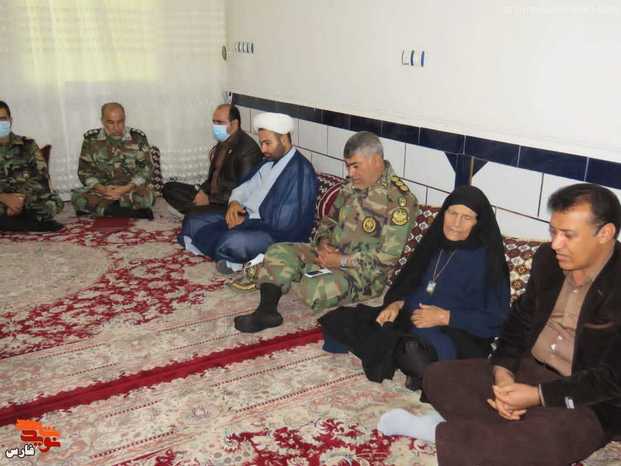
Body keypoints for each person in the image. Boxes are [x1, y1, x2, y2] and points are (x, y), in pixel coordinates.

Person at [379, 183, 621, 466]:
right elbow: (518, 323)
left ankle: (444, 432)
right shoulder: (548, 260)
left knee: (547, 438)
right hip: (528, 369)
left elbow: (612, 379)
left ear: (605, 233)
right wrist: (504, 374)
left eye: (568, 235)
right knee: (438, 377)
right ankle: (496, 430)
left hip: (586, 396)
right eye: (553, 232)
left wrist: (538, 396)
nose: (556, 244)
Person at [319, 185, 510, 389]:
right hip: (410, 319)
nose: (456, 223)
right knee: (340, 319)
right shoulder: (435, 242)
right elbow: (408, 282)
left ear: (478, 222)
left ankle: (423, 370)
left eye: (467, 218)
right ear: (444, 213)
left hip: (456, 332)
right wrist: (397, 303)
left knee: (412, 349)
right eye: (452, 213)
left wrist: (445, 317)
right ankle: (416, 369)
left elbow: (496, 319)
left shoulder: (489, 261)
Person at [234, 131, 418, 333]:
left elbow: (387, 257)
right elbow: (329, 221)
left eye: (355, 166)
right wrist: (322, 242)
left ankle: (289, 274)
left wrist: (340, 261)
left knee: (311, 287)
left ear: (375, 160)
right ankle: (266, 311)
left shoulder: (399, 200)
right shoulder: (350, 187)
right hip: (329, 254)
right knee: (277, 251)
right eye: (348, 166)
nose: (350, 173)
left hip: (363, 274)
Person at [178, 112, 318, 274]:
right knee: (193, 220)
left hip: (277, 236)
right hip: (248, 219)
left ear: (284, 139)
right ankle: (228, 256)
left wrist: (246, 220)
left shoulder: (300, 172)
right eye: (262, 143)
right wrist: (235, 203)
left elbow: (284, 222)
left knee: (232, 241)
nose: (263, 149)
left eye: (267, 143)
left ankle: (233, 258)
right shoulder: (269, 162)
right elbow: (246, 187)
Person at [162, 104, 261, 215]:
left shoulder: (248, 150)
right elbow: (214, 176)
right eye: (214, 122)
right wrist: (202, 191)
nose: (215, 126)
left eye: (220, 122)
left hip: (225, 202)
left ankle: (192, 211)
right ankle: (194, 210)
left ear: (234, 124)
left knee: (193, 214)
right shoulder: (224, 141)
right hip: (211, 194)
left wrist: (209, 199)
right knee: (169, 188)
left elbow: (243, 191)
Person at [71, 102, 155, 218]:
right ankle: (129, 212)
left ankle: (104, 209)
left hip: (130, 188)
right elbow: (84, 171)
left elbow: (146, 169)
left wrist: (125, 189)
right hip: (103, 189)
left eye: (120, 122)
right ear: (102, 121)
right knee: (76, 197)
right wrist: (102, 189)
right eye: (111, 122)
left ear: (125, 119)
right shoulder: (91, 140)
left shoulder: (138, 138)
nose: (116, 127)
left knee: (147, 198)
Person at [0, 100, 64, 232]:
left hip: (26, 199)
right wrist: (5, 198)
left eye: (3, 119)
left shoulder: (27, 144)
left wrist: (20, 199)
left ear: (10, 120)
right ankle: (31, 223)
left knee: (54, 202)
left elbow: (42, 176)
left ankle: (12, 220)